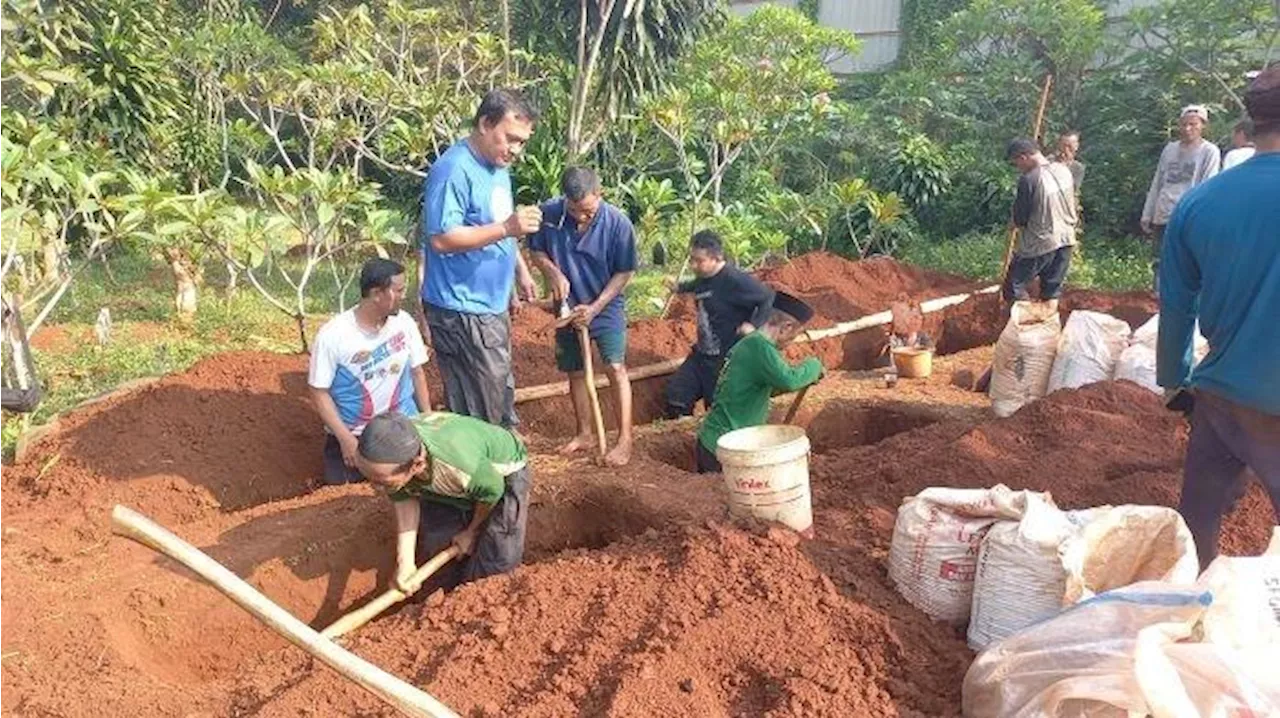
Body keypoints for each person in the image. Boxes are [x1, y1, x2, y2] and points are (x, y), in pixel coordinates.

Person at [1157, 66, 1280, 570]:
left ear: (1249, 124)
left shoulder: (1199, 203)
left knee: (1198, 521)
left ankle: (1192, 619)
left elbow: (1178, 308)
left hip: (1223, 396)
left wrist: (1174, 380)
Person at [419, 88, 541, 430]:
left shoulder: (497, 167)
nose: (516, 150)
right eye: (511, 139)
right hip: (462, 310)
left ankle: (500, 479)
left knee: (498, 401)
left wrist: (520, 272)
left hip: (489, 306)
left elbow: (497, 225)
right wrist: (508, 227)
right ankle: (495, 481)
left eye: (522, 142)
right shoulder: (454, 169)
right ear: (486, 123)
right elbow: (442, 239)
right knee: (484, 414)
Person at [529, 167, 638, 465]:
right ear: (565, 200)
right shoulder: (549, 214)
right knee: (575, 371)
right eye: (575, 210)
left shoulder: (618, 224)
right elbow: (536, 252)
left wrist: (595, 307)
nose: (581, 217)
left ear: (599, 195)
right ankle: (584, 434)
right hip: (566, 307)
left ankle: (625, 441)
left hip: (605, 305)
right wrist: (552, 273)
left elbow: (624, 272)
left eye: (588, 211)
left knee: (615, 367)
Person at [355, 410, 531, 594]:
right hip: (450, 480)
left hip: (502, 474)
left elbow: (491, 492)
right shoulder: (393, 451)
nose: (375, 487)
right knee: (438, 541)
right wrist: (405, 563)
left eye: (382, 482)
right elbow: (404, 499)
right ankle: (444, 598)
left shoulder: (460, 466)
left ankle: (477, 597)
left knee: (498, 560)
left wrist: (471, 531)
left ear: (417, 465)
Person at [308, 258, 431, 485]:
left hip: (402, 429)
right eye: (399, 290)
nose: (404, 296)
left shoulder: (404, 323)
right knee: (343, 497)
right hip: (357, 436)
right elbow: (318, 391)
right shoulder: (333, 336)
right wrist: (345, 439)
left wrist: (428, 418)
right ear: (377, 294)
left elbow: (417, 373)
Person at [694, 292, 823, 474]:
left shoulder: (751, 343)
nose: (789, 343)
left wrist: (804, 378)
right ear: (785, 327)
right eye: (793, 336)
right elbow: (789, 380)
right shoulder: (760, 347)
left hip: (723, 442)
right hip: (725, 446)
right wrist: (814, 366)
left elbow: (766, 387)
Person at [663, 230, 775, 419]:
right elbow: (698, 285)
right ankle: (684, 436)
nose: (693, 265)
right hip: (702, 355)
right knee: (677, 396)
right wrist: (679, 288)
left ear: (717, 258)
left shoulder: (734, 279)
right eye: (692, 259)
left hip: (726, 357)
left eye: (699, 260)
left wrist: (753, 325)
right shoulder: (704, 278)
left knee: (716, 406)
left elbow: (767, 298)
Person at [1141, 105, 1220, 295]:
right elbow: (1158, 182)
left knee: (1189, 260)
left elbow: (1207, 187)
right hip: (1164, 212)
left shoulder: (1209, 151)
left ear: (1203, 126)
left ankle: (1186, 299)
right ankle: (1158, 299)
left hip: (1189, 215)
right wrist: (1147, 213)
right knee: (1161, 259)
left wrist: (1201, 218)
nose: (1187, 129)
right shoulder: (1169, 149)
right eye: (1184, 124)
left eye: (1193, 124)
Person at [1002, 138, 1078, 304]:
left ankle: (1018, 327)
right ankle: (1048, 326)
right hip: (1066, 240)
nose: (1018, 168)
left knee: (1014, 287)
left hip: (1041, 243)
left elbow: (1021, 218)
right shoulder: (1064, 170)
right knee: (1051, 290)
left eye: (1016, 163)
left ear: (1023, 157)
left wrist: (1013, 223)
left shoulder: (1029, 179)